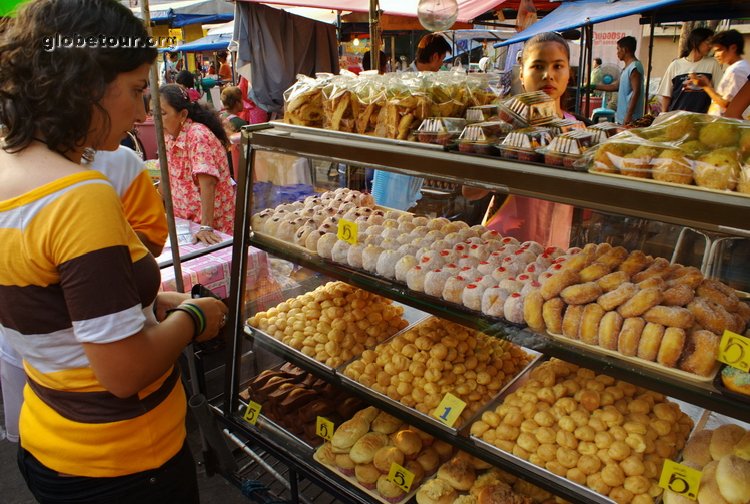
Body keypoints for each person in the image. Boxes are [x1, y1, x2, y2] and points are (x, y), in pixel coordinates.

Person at [0, 1, 227, 503]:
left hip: (50, 438)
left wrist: (146, 305)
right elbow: (124, 371)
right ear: (84, 86)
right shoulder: (77, 195)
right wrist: (193, 315)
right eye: (134, 91)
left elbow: (52, 308)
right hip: (124, 461)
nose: (142, 113)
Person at [462, 32, 575, 249]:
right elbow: (470, 191)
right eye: (538, 66)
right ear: (521, 74)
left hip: (556, 248)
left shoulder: (578, 129)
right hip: (503, 247)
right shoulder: (500, 126)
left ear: (569, 73)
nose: (548, 75)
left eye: (557, 66)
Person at [160, 84, 236, 244]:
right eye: (153, 114)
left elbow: (208, 183)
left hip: (213, 229)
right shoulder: (169, 137)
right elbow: (166, 181)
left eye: (162, 113)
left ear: (182, 115)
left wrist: (206, 228)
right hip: (187, 226)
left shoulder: (197, 135)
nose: (156, 120)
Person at [657, 27, 723, 113]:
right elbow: (666, 95)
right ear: (695, 41)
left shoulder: (713, 64)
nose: (710, 46)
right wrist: (663, 116)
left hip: (701, 119)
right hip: (676, 118)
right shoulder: (675, 65)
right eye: (707, 41)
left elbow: (720, 92)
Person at [690, 29, 750, 119]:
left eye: (719, 50)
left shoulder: (737, 71)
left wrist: (706, 87)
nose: (716, 55)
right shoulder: (737, 68)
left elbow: (728, 106)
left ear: (733, 48)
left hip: (728, 128)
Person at [593, 36, 644, 125]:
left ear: (624, 49)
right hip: (622, 117)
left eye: (618, 49)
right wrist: (594, 86)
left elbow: (636, 92)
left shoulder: (634, 67)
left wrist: (628, 115)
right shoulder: (626, 68)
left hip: (631, 119)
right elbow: (615, 86)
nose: (617, 53)